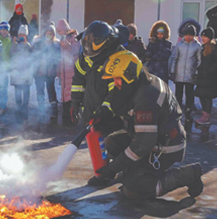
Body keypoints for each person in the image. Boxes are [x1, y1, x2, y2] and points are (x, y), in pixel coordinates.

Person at [86, 50, 204, 199]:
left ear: (128, 75)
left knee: (134, 189)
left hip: (166, 146)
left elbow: (143, 144)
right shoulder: (139, 82)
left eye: (117, 78)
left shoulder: (146, 96)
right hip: (154, 138)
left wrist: (113, 168)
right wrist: (105, 116)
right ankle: (133, 171)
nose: (115, 83)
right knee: (112, 142)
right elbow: (125, 110)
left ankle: (188, 175)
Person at [70, 21, 124, 127]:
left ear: (106, 42)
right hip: (90, 114)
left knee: (108, 142)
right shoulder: (85, 58)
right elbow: (78, 80)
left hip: (111, 118)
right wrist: (75, 101)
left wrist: (103, 112)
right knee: (91, 141)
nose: (89, 46)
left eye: (94, 42)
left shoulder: (117, 60)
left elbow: (116, 94)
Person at [169, 19, 201, 119]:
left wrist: (196, 72)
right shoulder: (179, 45)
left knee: (189, 93)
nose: (188, 37)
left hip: (190, 74)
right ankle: (177, 108)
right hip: (179, 73)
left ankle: (188, 108)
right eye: (187, 35)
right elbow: (175, 58)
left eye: (191, 35)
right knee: (178, 92)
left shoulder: (197, 46)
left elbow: (199, 60)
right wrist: (173, 71)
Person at [194, 28, 217, 127]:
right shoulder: (203, 48)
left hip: (210, 78)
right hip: (203, 77)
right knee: (202, 95)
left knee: (207, 97)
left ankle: (207, 116)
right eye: (202, 36)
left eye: (205, 37)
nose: (203, 38)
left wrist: (209, 70)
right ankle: (204, 114)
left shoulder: (214, 48)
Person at [33, 23, 61, 123]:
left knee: (51, 91)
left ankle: (54, 112)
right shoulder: (38, 44)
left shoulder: (55, 46)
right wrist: (38, 68)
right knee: (40, 92)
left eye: (51, 33)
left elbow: (57, 59)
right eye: (47, 33)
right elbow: (34, 57)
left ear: (53, 35)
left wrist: (53, 69)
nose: (48, 35)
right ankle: (41, 112)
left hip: (50, 73)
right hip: (39, 72)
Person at [56, 19, 80, 127]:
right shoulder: (61, 41)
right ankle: (66, 121)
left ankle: (73, 120)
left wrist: (66, 45)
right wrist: (58, 70)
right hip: (64, 73)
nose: (61, 34)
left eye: (62, 31)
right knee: (65, 98)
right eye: (59, 32)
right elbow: (60, 58)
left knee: (71, 97)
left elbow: (75, 52)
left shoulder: (74, 38)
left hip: (72, 72)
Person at [9, 25, 34, 122]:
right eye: (20, 34)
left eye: (23, 34)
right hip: (17, 74)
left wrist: (26, 44)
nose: (21, 36)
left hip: (26, 74)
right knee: (18, 95)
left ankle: (25, 112)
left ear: (26, 35)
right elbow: (11, 55)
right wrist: (15, 44)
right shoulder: (14, 45)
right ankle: (19, 112)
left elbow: (32, 56)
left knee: (26, 95)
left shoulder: (28, 45)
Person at [0, 21, 13, 113]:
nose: (4, 32)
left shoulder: (9, 41)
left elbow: (10, 54)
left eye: (6, 30)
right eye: (2, 29)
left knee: (4, 88)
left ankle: (2, 106)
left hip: (5, 67)